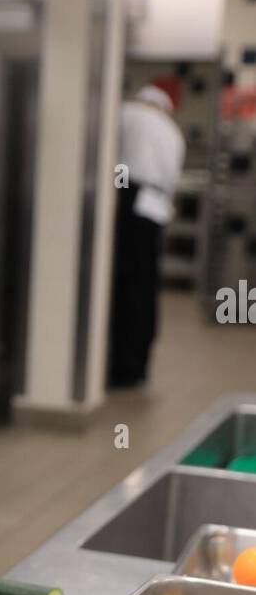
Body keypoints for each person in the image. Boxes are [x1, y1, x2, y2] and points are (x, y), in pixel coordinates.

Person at [108, 83, 186, 388]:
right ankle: (137, 364)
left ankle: (120, 364)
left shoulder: (126, 113)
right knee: (145, 287)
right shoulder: (171, 131)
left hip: (129, 198)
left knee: (125, 286)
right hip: (156, 208)